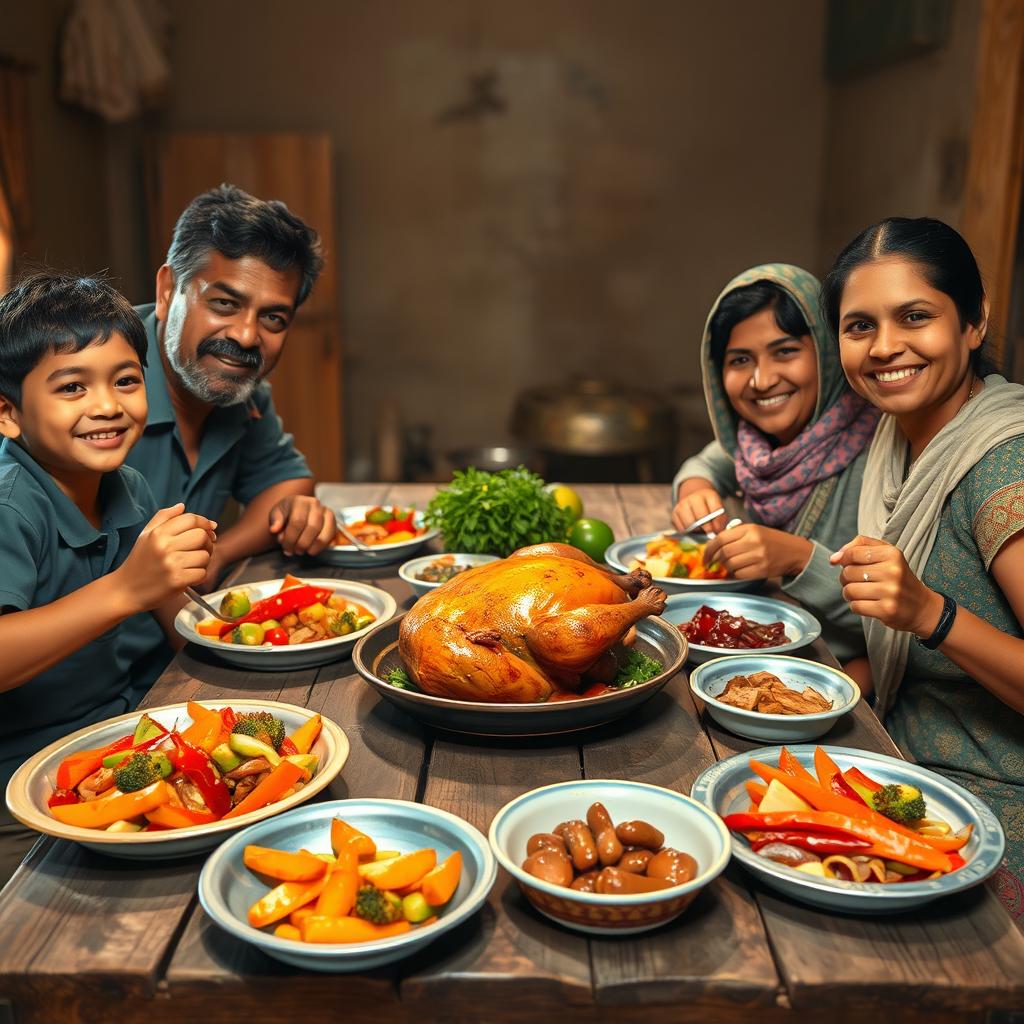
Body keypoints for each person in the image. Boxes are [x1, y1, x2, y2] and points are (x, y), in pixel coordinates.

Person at [825, 216, 1024, 925]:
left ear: (973, 323)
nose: (884, 348)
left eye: (915, 317)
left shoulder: (1005, 465)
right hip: (897, 758)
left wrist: (930, 615)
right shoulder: (897, 439)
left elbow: (925, 618)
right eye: (859, 326)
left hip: (994, 799)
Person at [0, 273, 215, 884]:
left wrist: (180, 577)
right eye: (72, 387)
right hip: (20, 791)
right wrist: (127, 588)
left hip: (120, 747)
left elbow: (178, 621)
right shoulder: (10, 505)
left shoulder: (128, 486)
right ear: (8, 414)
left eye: (125, 380)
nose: (107, 405)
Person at [122, 184, 338, 693]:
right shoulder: (91, 391)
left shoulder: (241, 390)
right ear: (168, 289)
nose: (245, 336)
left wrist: (220, 554)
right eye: (224, 302)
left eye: (273, 318)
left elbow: (290, 483)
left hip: (181, 670)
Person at [671, 263, 878, 669]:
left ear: (828, 353)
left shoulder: (884, 449)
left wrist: (800, 559)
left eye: (785, 352)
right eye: (740, 360)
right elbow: (708, 462)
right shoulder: (754, 445)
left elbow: (899, 623)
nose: (762, 380)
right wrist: (693, 486)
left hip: (838, 676)